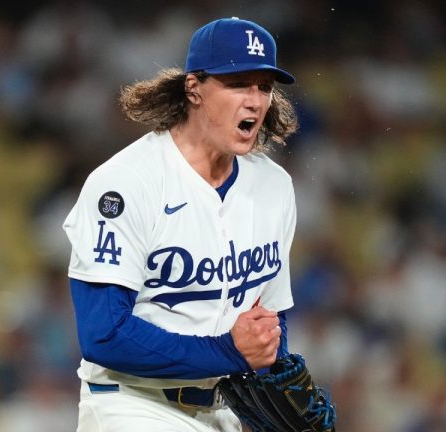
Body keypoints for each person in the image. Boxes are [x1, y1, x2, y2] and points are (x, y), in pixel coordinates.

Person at [62, 17, 299, 432]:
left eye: (264, 87)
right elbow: (103, 333)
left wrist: (274, 396)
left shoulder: (274, 185)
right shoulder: (127, 182)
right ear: (194, 88)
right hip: (132, 404)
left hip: (224, 410)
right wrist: (228, 351)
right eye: (238, 83)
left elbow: (270, 321)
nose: (255, 100)